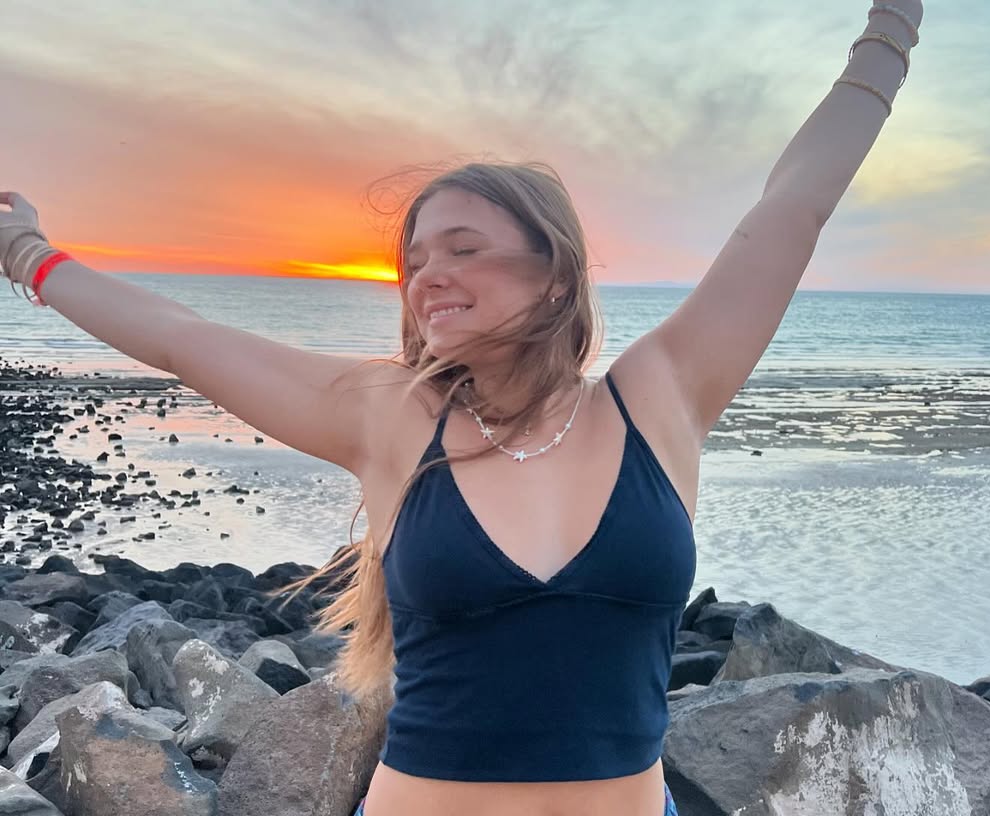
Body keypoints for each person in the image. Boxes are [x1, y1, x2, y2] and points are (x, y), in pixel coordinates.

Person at [0, 2, 922, 813]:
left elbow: (792, 208)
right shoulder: (391, 417)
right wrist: (27, 253)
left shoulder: (658, 398)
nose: (427, 276)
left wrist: (891, 29)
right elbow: (180, 337)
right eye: (415, 261)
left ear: (554, 270)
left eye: (463, 248)